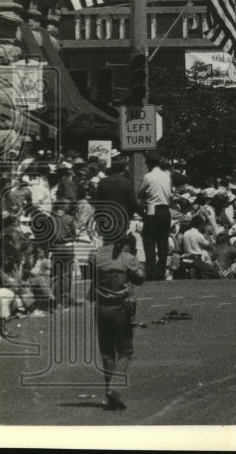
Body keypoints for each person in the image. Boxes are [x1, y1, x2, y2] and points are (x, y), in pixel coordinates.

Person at [89, 232, 145, 410]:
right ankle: (114, 387)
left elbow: (91, 278)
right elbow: (140, 278)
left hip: (102, 307)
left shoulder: (94, 257)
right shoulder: (126, 258)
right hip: (121, 308)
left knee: (107, 353)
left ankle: (109, 393)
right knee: (125, 351)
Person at [138, 153, 173, 281]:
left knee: (149, 240)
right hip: (165, 209)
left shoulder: (148, 176)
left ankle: (152, 270)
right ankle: (161, 270)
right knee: (163, 241)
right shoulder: (167, 175)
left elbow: (140, 193)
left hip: (153, 208)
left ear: (150, 164)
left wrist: (147, 194)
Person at [94, 155, 139, 240]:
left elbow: (98, 202)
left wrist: (98, 218)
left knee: (107, 242)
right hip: (122, 217)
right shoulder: (127, 183)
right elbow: (133, 204)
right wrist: (129, 216)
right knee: (120, 242)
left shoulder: (103, 182)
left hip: (106, 218)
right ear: (122, 171)